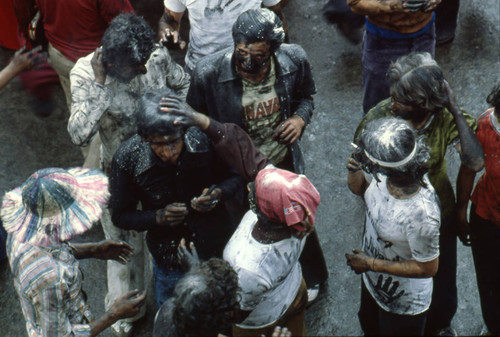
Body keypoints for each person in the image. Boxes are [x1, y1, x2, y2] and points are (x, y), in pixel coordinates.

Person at [187, 8, 328, 300]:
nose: (249, 65)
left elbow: (307, 97)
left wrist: (299, 119)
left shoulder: (295, 59)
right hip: (236, 171)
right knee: (248, 225)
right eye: (242, 55)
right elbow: (197, 125)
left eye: (260, 59)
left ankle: (312, 277)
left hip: (282, 163)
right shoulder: (208, 73)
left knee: (297, 220)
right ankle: (259, 282)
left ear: (275, 52)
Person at [68, 13, 190, 337]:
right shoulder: (84, 73)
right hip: (120, 177)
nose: (143, 70)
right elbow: (79, 133)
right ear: (109, 63)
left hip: (165, 168)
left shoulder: (154, 56)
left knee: (166, 232)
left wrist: (177, 131)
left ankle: (165, 291)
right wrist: (99, 85)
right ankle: (126, 310)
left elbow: (181, 81)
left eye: (144, 62)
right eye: (134, 68)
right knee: (124, 248)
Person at [159, 95, 320, 336]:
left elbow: (235, 312)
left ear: (263, 213)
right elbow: (247, 154)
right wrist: (200, 119)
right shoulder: (296, 207)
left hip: (262, 321)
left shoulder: (251, 270)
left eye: (254, 190)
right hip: (294, 291)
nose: (250, 186)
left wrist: (198, 276)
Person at [354, 52, 484, 336]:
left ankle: (439, 325)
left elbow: (474, 161)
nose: (392, 103)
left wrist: (451, 104)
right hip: (390, 214)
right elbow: (360, 172)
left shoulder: (445, 118)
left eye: (401, 100)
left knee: (442, 279)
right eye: (393, 95)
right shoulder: (379, 116)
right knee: (390, 275)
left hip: (439, 214)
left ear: (425, 104)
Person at [109, 89, 243, 308]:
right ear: (144, 138)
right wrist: (158, 217)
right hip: (169, 258)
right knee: (174, 314)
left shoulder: (204, 137)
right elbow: (121, 216)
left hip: (217, 243)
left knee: (224, 307)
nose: (169, 152)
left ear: (184, 129)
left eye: (174, 141)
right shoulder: (127, 160)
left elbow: (236, 175)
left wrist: (217, 194)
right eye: (159, 145)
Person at [0, 167, 147, 337]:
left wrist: (93, 249)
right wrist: (114, 314)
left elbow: (54, 252)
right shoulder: (49, 279)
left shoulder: (24, 225)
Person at [346, 117, 440, 336]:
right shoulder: (383, 175)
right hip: (372, 281)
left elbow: (427, 268)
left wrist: (370, 263)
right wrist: (354, 170)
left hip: (403, 301)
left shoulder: (421, 215)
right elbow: (361, 190)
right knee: (369, 326)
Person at [455, 83, 500, 336]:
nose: (496, 120)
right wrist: (461, 212)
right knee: (489, 279)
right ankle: (493, 324)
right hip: (487, 217)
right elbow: (468, 170)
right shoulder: (484, 125)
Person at [347, 0, 441, 114]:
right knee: (378, 108)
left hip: (424, 34)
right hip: (383, 41)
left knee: (423, 99)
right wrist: (394, 5)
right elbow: (355, 4)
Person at [159, 0, 288, 74]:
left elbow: (277, 18)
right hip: (200, 67)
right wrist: (169, 34)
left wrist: (285, 60)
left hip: (250, 68)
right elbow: (169, 20)